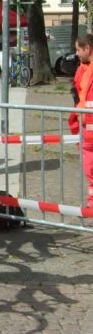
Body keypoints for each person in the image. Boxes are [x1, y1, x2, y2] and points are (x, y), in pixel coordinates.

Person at [69, 34, 93, 207]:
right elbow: (79, 99)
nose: (77, 53)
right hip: (86, 128)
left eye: (78, 49)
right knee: (89, 168)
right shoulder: (82, 70)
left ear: (88, 48)